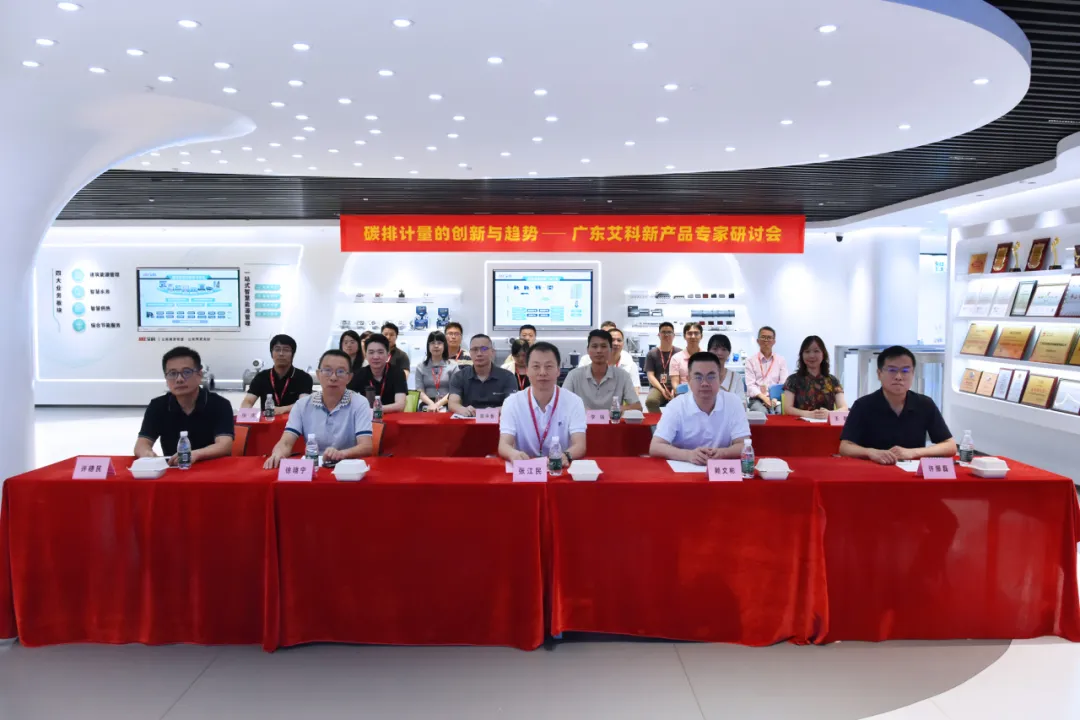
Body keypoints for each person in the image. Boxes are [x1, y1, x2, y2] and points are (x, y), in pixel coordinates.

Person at [839, 346, 957, 464]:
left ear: (913, 374)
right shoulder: (863, 405)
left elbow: (950, 446)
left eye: (905, 371)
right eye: (892, 370)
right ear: (879, 374)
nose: (898, 377)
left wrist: (913, 452)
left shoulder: (925, 404)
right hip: (874, 469)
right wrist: (870, 452)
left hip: (912, 472)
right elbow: (845, 447)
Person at [263, 350, 373, 469]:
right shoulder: (302, 405)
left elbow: (366, 446)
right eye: (327, 370)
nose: (333, 377)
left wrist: (341, 454)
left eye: (340, 372)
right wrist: (278, 453)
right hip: (313, 468)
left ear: (349, 377)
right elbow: (286, 442)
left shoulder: (359, 403)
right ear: (318, 374)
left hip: (347, 469)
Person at [135, 346, 234, 465]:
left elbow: (224, 445)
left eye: (186, 372)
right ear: (166, 378)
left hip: (213, 469)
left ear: (199, 375)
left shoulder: (220, 404)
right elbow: (142, 444)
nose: (179, 379)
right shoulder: (158, 405)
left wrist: (196, 454)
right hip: (175, 470)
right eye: (172, 373)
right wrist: (147, 453)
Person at [649, 352, 751, 466]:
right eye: (698, 377)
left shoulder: (733, 402)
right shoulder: (676, 406)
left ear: (720, 378)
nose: (705, 383)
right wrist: (688, 455)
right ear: (688, 380)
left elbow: (744, 445)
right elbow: (655, 446)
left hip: (720, 470)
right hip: (684, 471)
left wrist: (723, 453)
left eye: (711, 377)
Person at [499, 341, 587, 464]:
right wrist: (513, 454)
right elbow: (504, 445)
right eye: (536, 366)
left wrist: (566, 455)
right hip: (527, 468)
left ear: (558, 370)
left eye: (548, 366)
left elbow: (580, 444)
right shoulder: (512, 402)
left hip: (559, 467)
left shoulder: (574, 401)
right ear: (527, 370)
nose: (542, 372)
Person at [562, 329, 642, 411]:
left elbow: (637, 407)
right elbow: (561, 403)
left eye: (603, 346)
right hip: (582, 419)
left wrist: (618, 409)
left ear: (610, 350)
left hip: (612, 419)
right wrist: (580, 410)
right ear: (588, 350)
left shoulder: (623, 376)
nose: (599, 351)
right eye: (594, 346)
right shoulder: (574, 375)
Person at [448, 333, 519, 416]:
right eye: (474, 349)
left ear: (492, 352)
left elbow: (512, 405)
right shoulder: (459, 376)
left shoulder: (508, 377)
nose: (479, 354)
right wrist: (461, 409)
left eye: (484, 349)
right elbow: (453, 403)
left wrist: (492, 411)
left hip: (498, 421)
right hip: (468, 420)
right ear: (470, 353)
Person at [240, 334, 313, 414]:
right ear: (272, 353)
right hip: (268, 420)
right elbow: (248, 401)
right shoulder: (261, 377)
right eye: (277, 349)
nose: (281, 354)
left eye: (286, 350)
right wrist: (246, 414)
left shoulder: (304, 378)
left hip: (294, 421)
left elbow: (303, 404)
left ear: (293, 354)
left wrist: (282, 410)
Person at [783, 335, 847, 419]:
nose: (812, 355)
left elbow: (844, 408)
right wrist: (808, 414)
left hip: (826, 424)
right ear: (802, 355)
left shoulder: (833, 380)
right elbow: (787, 408)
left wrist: (829, 414)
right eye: (807, 351)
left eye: (816, 351)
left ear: (823, 354)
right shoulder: (792, 380)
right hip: (800, 424)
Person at [348, 333, 407, 412]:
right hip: (367, 417)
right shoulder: (359, 374)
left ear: (388, 354)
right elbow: (348, 400)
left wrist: (373, 410)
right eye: (371, 352)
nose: (375, 357)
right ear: (365, 355)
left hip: (391, 416)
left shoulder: (398, 373)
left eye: (380, 352)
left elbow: (400, 405)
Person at [577, 327, 642, 389]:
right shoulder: (586, 360)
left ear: (623, 343)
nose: (616, 343)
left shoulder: (630, 364)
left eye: (619, 340)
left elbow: (635, 390)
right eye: (612, 340)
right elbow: (578, 385)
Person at [745, 326, 788, 414]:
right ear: (758, 341)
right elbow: (750, 385)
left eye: (769, 338)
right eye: (763, 337)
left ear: (774, 341)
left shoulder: (781, 360)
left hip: (777, 398)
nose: (766, 340)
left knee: (780, 412)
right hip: (757, 398)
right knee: (761, 413)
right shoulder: (750, 361)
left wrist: (774, 399)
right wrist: (764, 398)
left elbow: (783, 383)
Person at [644, 322, 681, 413]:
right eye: (663, 332)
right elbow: (650, 375)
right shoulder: (652, 354)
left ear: (674, 335)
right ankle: (660, 421)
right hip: (658, 387)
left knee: (683, 402)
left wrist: (675, 389)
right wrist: (662, 390)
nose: (666, 335)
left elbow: (682, 374)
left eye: (669, 332)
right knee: (651, 401)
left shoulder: (680, 353)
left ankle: (675, 420)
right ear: (659, 335)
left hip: (676, 386)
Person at [413, 330, 454, 412]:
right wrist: (431, 404)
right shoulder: (420, 367)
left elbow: (454, 391)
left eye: (439, 343)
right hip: (427, 404)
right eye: (432, 343)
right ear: (428, 346)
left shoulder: (453, 366)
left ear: (444, 346)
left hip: (448, 403)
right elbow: (420, 391)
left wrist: (437, 404)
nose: (436, 346)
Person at [669, 322, 704, 387]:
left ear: (701, 336)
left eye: (696, 333)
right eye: (689, 333)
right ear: (684, 336)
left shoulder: (708, 358)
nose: (693, 336)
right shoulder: (676, 358)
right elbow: (675, 384)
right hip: (683, 392)